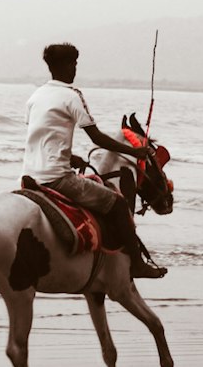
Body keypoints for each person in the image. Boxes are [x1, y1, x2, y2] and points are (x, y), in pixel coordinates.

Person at [22, 42, 167, 279]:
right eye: (74, 64)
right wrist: (134, 152)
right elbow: (97, 137)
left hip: (29, 175)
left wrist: (69, 156)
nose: (75, 69)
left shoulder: (35, 97)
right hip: (58, 179)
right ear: (66, 65)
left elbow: (40, 137)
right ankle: (137, 265)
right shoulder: (72, 96)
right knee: (119, 204)